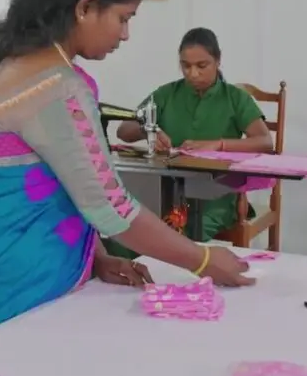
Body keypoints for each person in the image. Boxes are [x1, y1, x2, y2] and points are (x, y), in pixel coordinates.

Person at [0, 0, 255, 350]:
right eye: (123, 18)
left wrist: (97, 255)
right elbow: (111, 207)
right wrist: (203, 260)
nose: (126, 34)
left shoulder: (18, 65)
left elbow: (63, 180)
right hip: (14, 281)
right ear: (86, 8)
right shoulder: (56, 85)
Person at [113, 28, 273, 255]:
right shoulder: (167, 94)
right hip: (166, 193)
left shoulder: (235, 98)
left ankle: (166, 273)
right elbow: (124, 130)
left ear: (218, 60)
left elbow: (265, 141)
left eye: (202, 66)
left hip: (217, 197)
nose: (193, 74)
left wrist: (219, 144)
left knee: (178, 234)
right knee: (129, 228)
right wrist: (149, 131)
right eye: (186, 66)